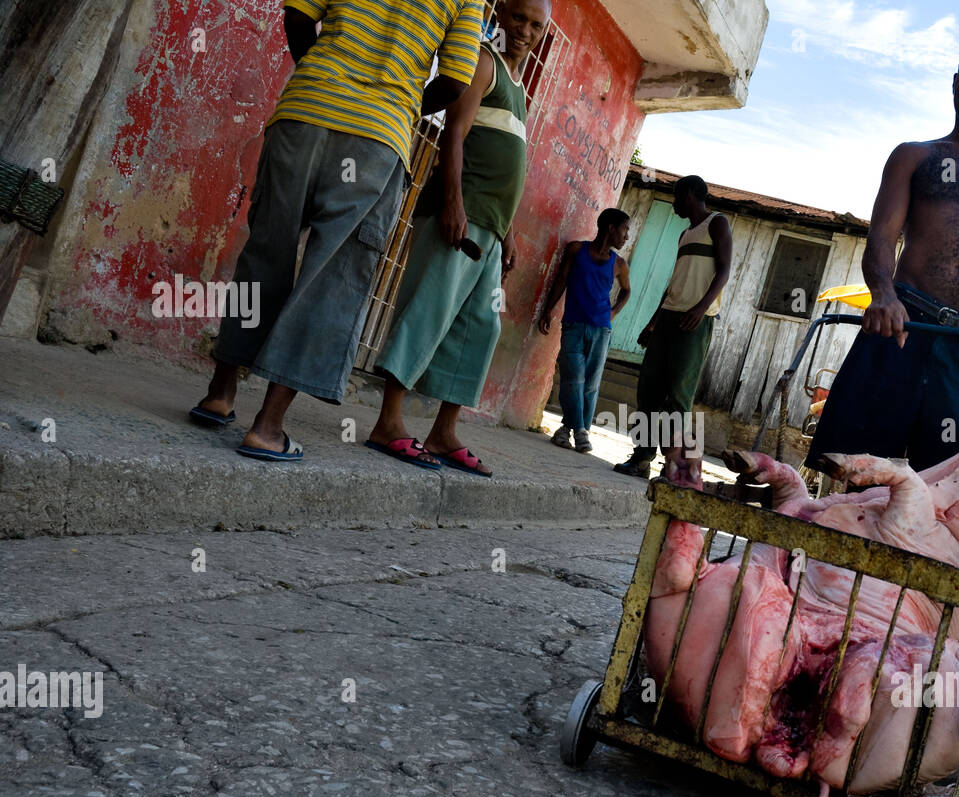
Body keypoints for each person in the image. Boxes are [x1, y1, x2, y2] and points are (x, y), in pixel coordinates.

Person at [189, 0, 485, 462]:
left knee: (266, 253)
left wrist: (321, 74)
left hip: (304, 111)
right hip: (376, 132)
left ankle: (220, 394)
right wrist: (402, 102)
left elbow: (299, 16)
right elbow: (453, 80)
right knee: (332, 281)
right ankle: (267, 429)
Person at [807, 36, 959, 476]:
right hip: (902, 327)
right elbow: (881, 237)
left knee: (954, 491)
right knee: (857, 470)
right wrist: (882, 294)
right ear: (954, 81)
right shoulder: (912, 157)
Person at [365, 0, 551, 478]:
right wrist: (453, 204)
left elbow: (502, 163)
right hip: (458, 220)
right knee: (427, 311)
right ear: (501, 13)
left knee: (479, 330)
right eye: (518, 18)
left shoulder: (518, 87)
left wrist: (507, 233)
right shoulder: (484, 61)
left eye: (536, 25)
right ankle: (388, 423)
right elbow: (455, 133)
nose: (525, 31)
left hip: (490, 229)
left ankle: (443, 433)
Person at [613, 175, 732, 478]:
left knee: (678, 396)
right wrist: (652, 322)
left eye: (677, 196)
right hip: (668, 317)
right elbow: (674, 283)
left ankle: (675, 467)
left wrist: (701, 308)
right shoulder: (685, 234)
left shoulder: (717, 223)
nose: (675, 202)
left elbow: (725, 269)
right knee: (649, 389)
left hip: (695, 320)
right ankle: (641, 458)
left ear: (690, 194)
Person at [539, 209, 632, 453]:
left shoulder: (619, 264)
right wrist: (548, 310)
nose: (626, 236)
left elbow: (626, 291)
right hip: (573, 325)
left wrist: (613, 312)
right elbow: (561, 280)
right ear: (611, 228)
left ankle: (567, 430)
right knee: (573, 379)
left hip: (601, 330)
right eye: (625, 229)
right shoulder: (577, 250)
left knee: (590, 384)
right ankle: (581, 432)